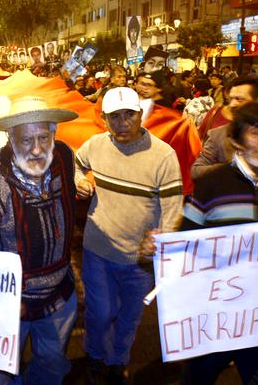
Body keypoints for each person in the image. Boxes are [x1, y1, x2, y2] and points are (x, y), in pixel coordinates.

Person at [141, 101, 258, 385]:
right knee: (198, 378)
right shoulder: (214, 184)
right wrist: (158, 250)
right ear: (236, 141)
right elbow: (187, 238)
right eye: (255, 133)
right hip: (215, 316)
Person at [0, 96, 79, 385]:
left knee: (51, 365)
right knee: (1, 377)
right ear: (10, 139)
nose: (36, 149)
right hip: (7, 307)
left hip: (59, 296)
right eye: (25, 140)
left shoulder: (64, 157)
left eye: (43, 137)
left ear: (54, 134)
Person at [76, 87, 183, 385]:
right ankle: (95, 355)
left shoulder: (164, 155)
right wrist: (78, 179)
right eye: (115, 117)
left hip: (140, 259)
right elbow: (75, 162)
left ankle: (117, 361)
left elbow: (173, 207)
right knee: (100, 313)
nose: (123, 122)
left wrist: (162, 236)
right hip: (97, 249)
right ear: (104, 119)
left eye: (129, 115)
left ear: (140, 115)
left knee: (129, 318)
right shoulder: (95, 145)